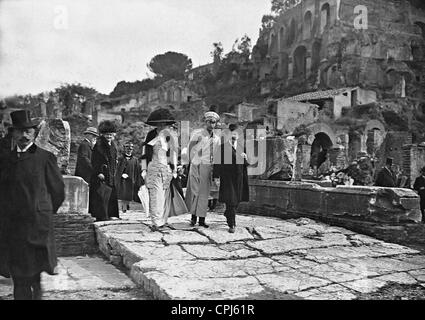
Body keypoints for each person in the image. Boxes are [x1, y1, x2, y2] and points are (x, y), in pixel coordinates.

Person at [0, 110, 65, 300]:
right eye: (19, 131)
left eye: (28, 131)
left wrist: (43, 211)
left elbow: (58, 191)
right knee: (19, 276)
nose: (24, 135)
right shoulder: (5, 160)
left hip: (38, 226)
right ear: (12, 133)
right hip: (13, 228)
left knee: (35, 275)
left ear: (34, 133)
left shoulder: (45, 158)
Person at [141, 108, 187, 232]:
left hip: (166, 169)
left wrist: (174, 170)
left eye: (163, 123)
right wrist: (143, 169)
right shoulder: (151, 135)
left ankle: (163, 220)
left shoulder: (169, 136)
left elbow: (173, 153)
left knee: (166, 195)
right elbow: (144, 153)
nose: (161, 126)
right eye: (159, 123)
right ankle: (156, 222)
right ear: (155, 124)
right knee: (156, 195)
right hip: (153, 168)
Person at [185, 109, 221, 228]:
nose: (211, 124)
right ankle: (193, 218)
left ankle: (202, 219)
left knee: (204, 194)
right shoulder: (198, 134)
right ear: (205, 122)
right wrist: (191, 162)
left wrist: (215, 169)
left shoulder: (216, 139)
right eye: (209, 122)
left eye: (214, 122)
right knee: (195, 191)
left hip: (207, 166)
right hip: (196, 165)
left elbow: (217, 154)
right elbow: (190, 148)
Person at [213, 124, 249, 233]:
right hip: (228, 178)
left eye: (237, 134)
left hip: (240, 178)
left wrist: (245, 158)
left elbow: (246, 163)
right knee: (231, 201)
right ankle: (232, 224)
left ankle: (228, 213)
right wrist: (216, 177)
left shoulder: (242, 147)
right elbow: (217, 163)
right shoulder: (222, 147)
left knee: (237, 200)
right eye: (233, 134)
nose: (235, 136)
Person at [89, 120, 120, 221]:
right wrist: (99, 172)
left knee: (110, 194)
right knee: (101, 195)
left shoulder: (113, 145)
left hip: (111, 173)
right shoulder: (99, 145)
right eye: (107, 135)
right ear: (103, 134)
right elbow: (94, 160)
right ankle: (102, 216)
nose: (109, 136)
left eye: (110, 134)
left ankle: (110, 214)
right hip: (101, 173)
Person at [115, 142, 142, 213]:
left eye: (131, 148)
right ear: (124, 149)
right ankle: (124, 208)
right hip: (123, 180)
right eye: (127, 148)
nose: (129, 150)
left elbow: (138, 171)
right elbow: (117, 169)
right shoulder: (120, 159)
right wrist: (121, 174)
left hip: (131, 180)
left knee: (129, 195)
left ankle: (127, 207)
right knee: (123, 195)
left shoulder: (135, 160)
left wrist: (137, 181)